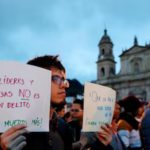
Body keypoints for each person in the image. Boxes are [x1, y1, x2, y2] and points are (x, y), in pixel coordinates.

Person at [0, 55, 72, 150]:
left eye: (64, 80)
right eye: (56, 79)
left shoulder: (63, 126)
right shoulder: (11, 130)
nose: (64, 85)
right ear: (35, 82)